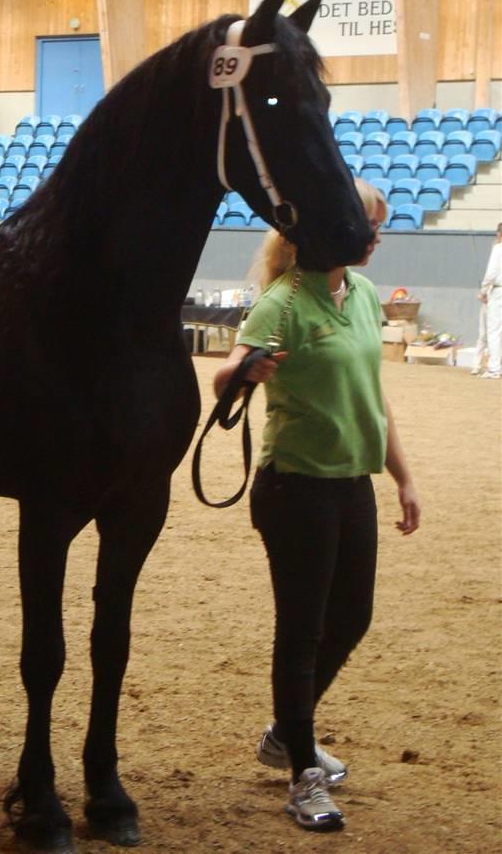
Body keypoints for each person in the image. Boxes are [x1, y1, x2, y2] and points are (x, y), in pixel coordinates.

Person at [213, 178, 420, 832]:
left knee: (351, 617)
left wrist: (403, 477)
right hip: (295, 487)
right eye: (369, 225)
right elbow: (226, 374)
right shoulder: (282, 302)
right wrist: (242, 374)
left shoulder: (359, 295)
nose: (378, 237)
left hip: (352, 480)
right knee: (301, 629)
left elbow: (372, 397)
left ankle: (285, 733)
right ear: (332, 227)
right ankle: (302, 772)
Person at [474, 222, 502, 379]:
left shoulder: (498, 249)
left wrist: (484, 291)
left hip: (498, 291)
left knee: (494, 330)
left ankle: (494, 368)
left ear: (499, 234)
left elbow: (491, 273)